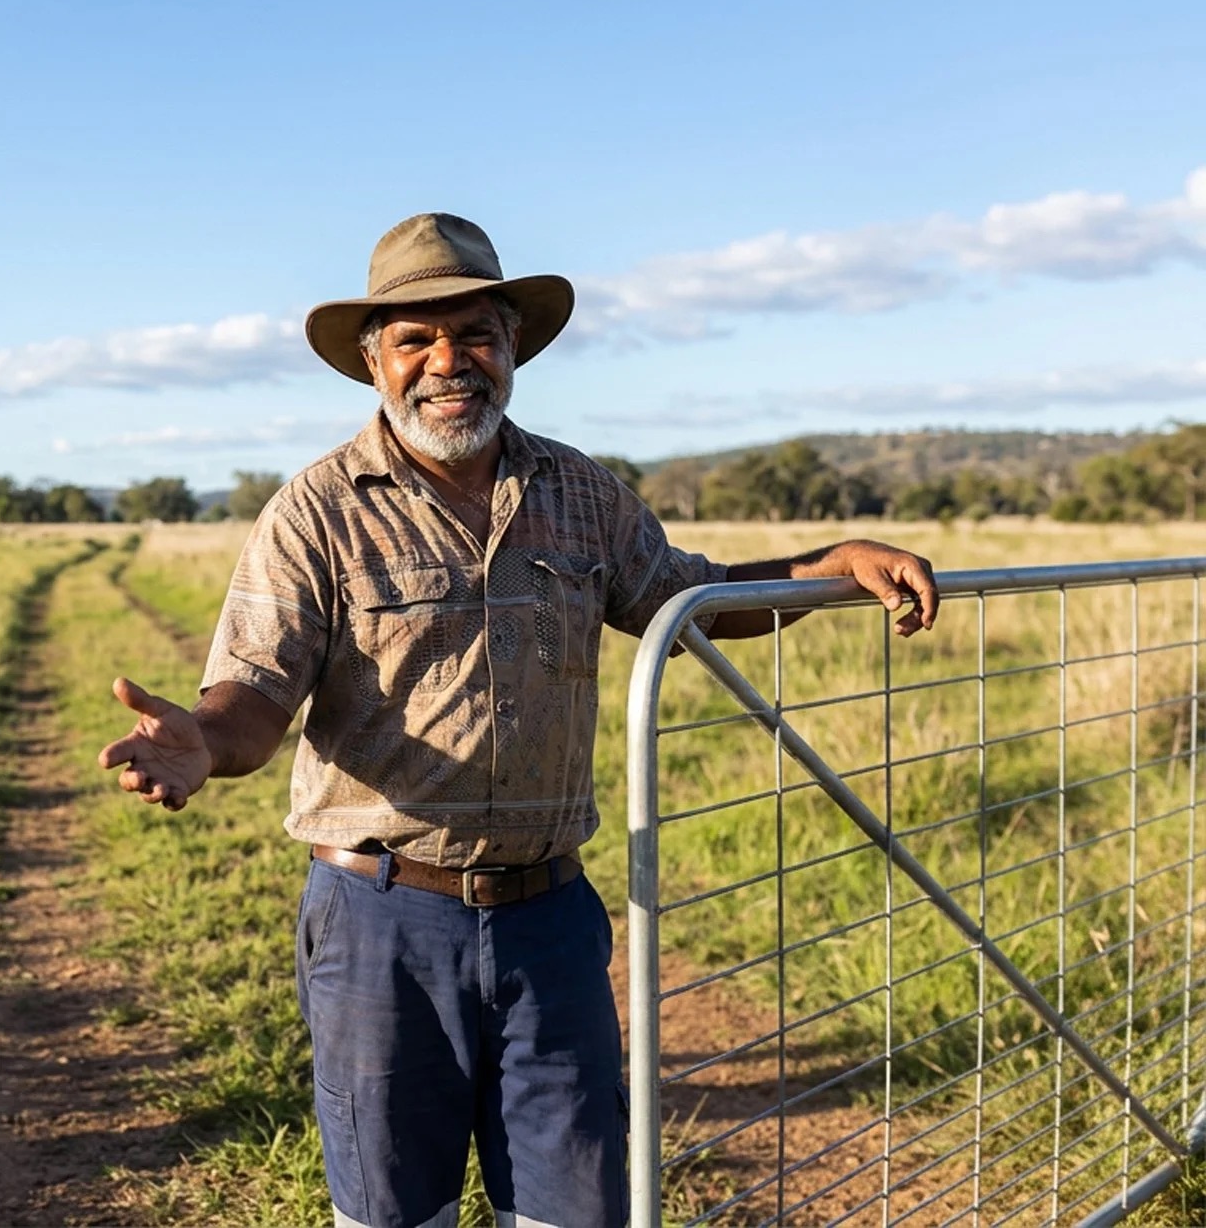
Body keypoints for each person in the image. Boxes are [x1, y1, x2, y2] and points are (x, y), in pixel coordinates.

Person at [96, 213, 938, 1228]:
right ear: (375, 363)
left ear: (510, 349)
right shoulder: (316, 509)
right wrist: (202, 741)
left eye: (475, 336)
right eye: (416, 339)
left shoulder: (579, 493)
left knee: (574, 1208)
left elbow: (687, 599)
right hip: (379, 920)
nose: (448, 362)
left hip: (548, 920)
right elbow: (253, 693)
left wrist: (824, 568)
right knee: (394, 1212)